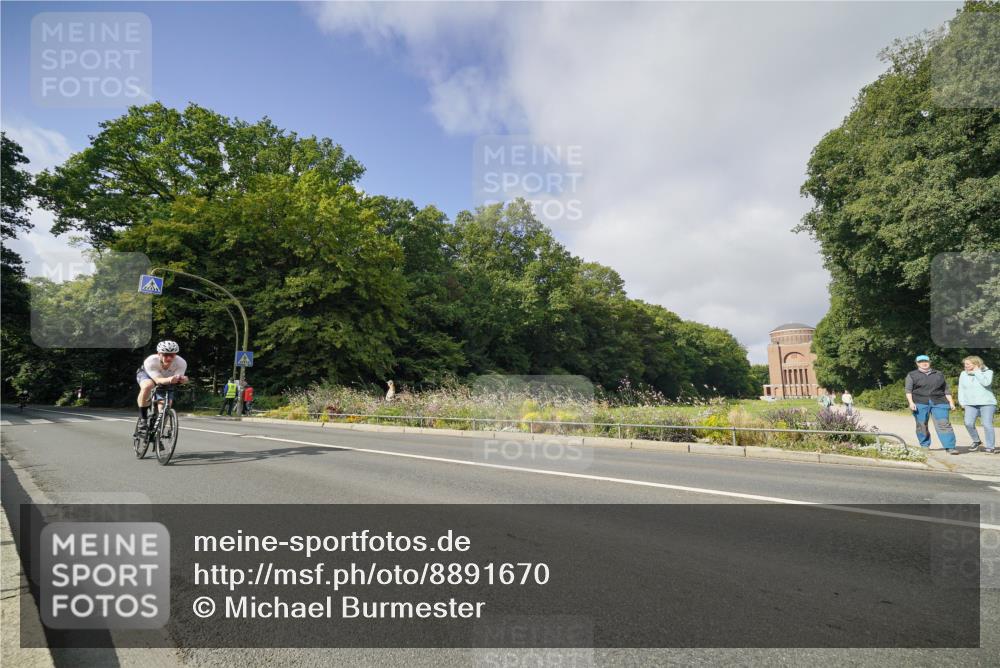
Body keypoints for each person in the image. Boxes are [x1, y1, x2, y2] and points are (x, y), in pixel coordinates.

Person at [905, 354, 957, 454]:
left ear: (929, 362)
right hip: (919, 402)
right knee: (921, 425)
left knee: (944, 424)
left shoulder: (939, 374)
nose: (924, 363)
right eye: (921, 362)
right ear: (917, 363)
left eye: (926, 361)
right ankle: (924, 445)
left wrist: (951, 402)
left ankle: (950, 447)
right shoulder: (912, 375)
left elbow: (946, 389)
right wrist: (911, 403)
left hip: (939, 401)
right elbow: (908, 390)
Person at [136, 340, 188, 434]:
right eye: (165, 355)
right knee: (148, 386)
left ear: (175, 354)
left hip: (167, 379)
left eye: (172, 355)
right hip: (148, 376)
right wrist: (172, 379)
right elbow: (158, 380)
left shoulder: (181, 362)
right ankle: (143, 418)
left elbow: (176, 380)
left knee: (165, 407)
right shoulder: (151, 360)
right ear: (159, 354)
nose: (168, 358)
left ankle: (158, 433)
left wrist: (182, 380)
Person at [958, 356, 996, 454]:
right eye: (965, 364)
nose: (965, 366)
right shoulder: (963, 374)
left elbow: (986, 383)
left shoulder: (988, 372)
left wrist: (977, 372)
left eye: (968, 364)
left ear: (976, 364)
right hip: (970, 403)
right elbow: (961, 388)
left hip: (987, 403)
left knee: (987, 424)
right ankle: (977, 441)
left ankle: (990, 447)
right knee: (968, 423)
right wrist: (962, 402)